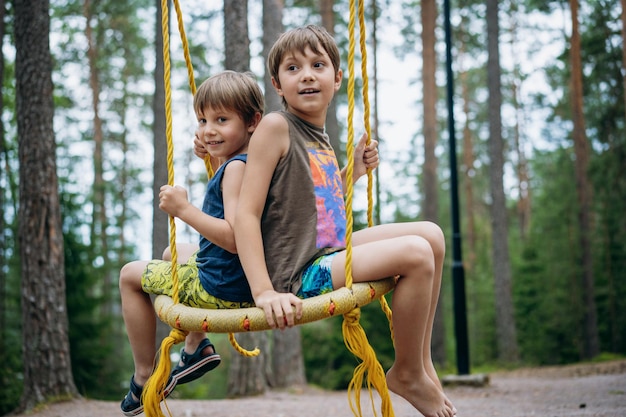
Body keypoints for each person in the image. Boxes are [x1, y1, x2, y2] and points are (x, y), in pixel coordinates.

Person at [233, 25, 456, 417]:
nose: (306, 74)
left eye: (317, 65)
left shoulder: (317, 136)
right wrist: (265, 292)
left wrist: (351, 172)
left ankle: (420, 365)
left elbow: (317, 204)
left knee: (432, 236)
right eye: (292, 67)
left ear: (336, 78)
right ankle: (405, 372)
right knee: (417, 253)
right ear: (277, 84)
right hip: (300, 273)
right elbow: (247, 214)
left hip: (328, 250)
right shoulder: (276, 127)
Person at [118, 70, 263, 416]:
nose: (208, 129)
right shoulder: (247, 164)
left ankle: (144, 376)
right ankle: (196, 346)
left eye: (221, 119)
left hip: (222, 286)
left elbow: (232, 239)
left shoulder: (236, 170)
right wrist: (213, 157)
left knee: (128, 275)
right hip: (241, 276)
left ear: (252, 122)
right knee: (173, 252)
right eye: (202, 119)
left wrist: (183, 210)